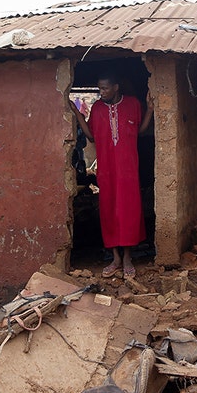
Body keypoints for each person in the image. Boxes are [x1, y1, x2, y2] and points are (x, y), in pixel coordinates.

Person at [71, 73, 153, 278]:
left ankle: (127, 258)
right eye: (100, 88)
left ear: (116, 87)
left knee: (129, 211)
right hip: (106, 171)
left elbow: (140, 131)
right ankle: (115, 258)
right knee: (109, 211)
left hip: (128, 170)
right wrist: (77, 114)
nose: (102, 92)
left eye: (105, 88)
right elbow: (91, 136)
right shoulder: (98, 109)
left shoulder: (133, 104)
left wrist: (150, 109)